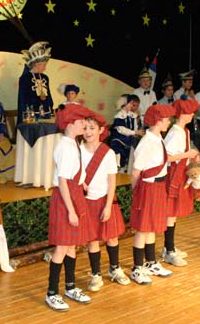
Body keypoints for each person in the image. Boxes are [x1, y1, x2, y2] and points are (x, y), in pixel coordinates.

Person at [45, 104, 97, 311]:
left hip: (74, 195)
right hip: (66, 200)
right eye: (81, 121)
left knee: (71, 245)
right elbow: (62, 181)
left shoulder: (73, 143)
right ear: (70, 124)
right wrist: (71, 210)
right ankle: (51, 293)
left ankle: (70, 286)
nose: (84, 124)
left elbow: (74, 174)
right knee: (62, 247)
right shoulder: (65, 147)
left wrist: (82, 183)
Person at [81, 114, 130, 292]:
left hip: (105, 200)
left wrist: (108, 205)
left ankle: (114, 268)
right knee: (92, 239)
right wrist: (81, 182)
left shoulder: (107, 152)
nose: (88, 132)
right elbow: (74, 174)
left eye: (92, 128)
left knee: (112, 236)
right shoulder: (78, 151)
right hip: (87, 201)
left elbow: (111, 181)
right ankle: (96, 274)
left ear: (101, 130)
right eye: (85, 128)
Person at [128, 104, 175, 285]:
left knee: (152, 226)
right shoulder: (147, 142)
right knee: (143, 229)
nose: (169, 122)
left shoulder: (158, 138)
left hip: (158, 186)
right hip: (148, 188)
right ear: (158, 121)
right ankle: (137, 268)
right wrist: (137, 192)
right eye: (167, 119)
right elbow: (136, 171)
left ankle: (151, 263)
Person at [162, 96, 200, 267]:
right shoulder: (175, 132)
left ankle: (169, 247)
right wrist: (187, 154)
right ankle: (169, 250)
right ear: (183, 114)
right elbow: (166, 157)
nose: (192, 115)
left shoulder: (184, 131)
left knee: (174, 213)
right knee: (170, 213)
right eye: (190, 112)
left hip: (180, 174)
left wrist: (192, 156)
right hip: (173, 175)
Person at [17, 41, 54, 124]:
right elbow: (22, 99)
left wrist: (51, 109)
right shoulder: (25, 79)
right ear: (37, 64)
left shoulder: (45, 78)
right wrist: (25, 115)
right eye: (44, 65)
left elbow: (49, 95)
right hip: (32, 115)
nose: (45, 68)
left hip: (46, 114)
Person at [109, 94, 143, 172]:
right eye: (130, 103)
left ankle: (127, 168)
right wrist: (134, 132)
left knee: (135, 146)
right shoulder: (119, 115)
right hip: (120, 137)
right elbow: (121, 129)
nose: (131, 105)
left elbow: (135, 127)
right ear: (124, 104)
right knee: (117, 145)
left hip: (129, 138)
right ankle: (117, 165)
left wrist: (137, 129)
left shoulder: (133, 115)